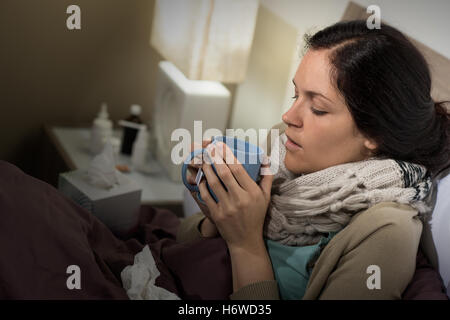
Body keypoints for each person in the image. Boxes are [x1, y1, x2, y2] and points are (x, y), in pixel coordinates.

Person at [177, 20, 450, 300]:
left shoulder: (387, 231)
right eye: (295, 95)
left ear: (375, 132)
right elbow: (182, 244)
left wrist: (245, 245)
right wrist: (216, 212)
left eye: (318, 108)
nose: (288, 117)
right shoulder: (281, 147)